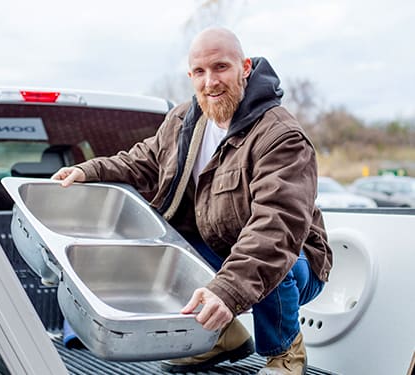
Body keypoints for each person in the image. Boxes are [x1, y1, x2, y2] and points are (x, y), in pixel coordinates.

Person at [52, 27, 332, 375]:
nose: (210, 81)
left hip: (295, 260)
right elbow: (144, 160)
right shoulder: (185, 120)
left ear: (245, 67)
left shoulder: (280, 136)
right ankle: (221, 338)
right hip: (222, 246)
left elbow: (277, 230)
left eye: (221, 67)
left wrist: (228, 291)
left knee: (276, 261)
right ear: (190, 75)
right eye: (200, 72)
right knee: (164, 247)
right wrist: (89, 170)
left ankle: (285, 353)